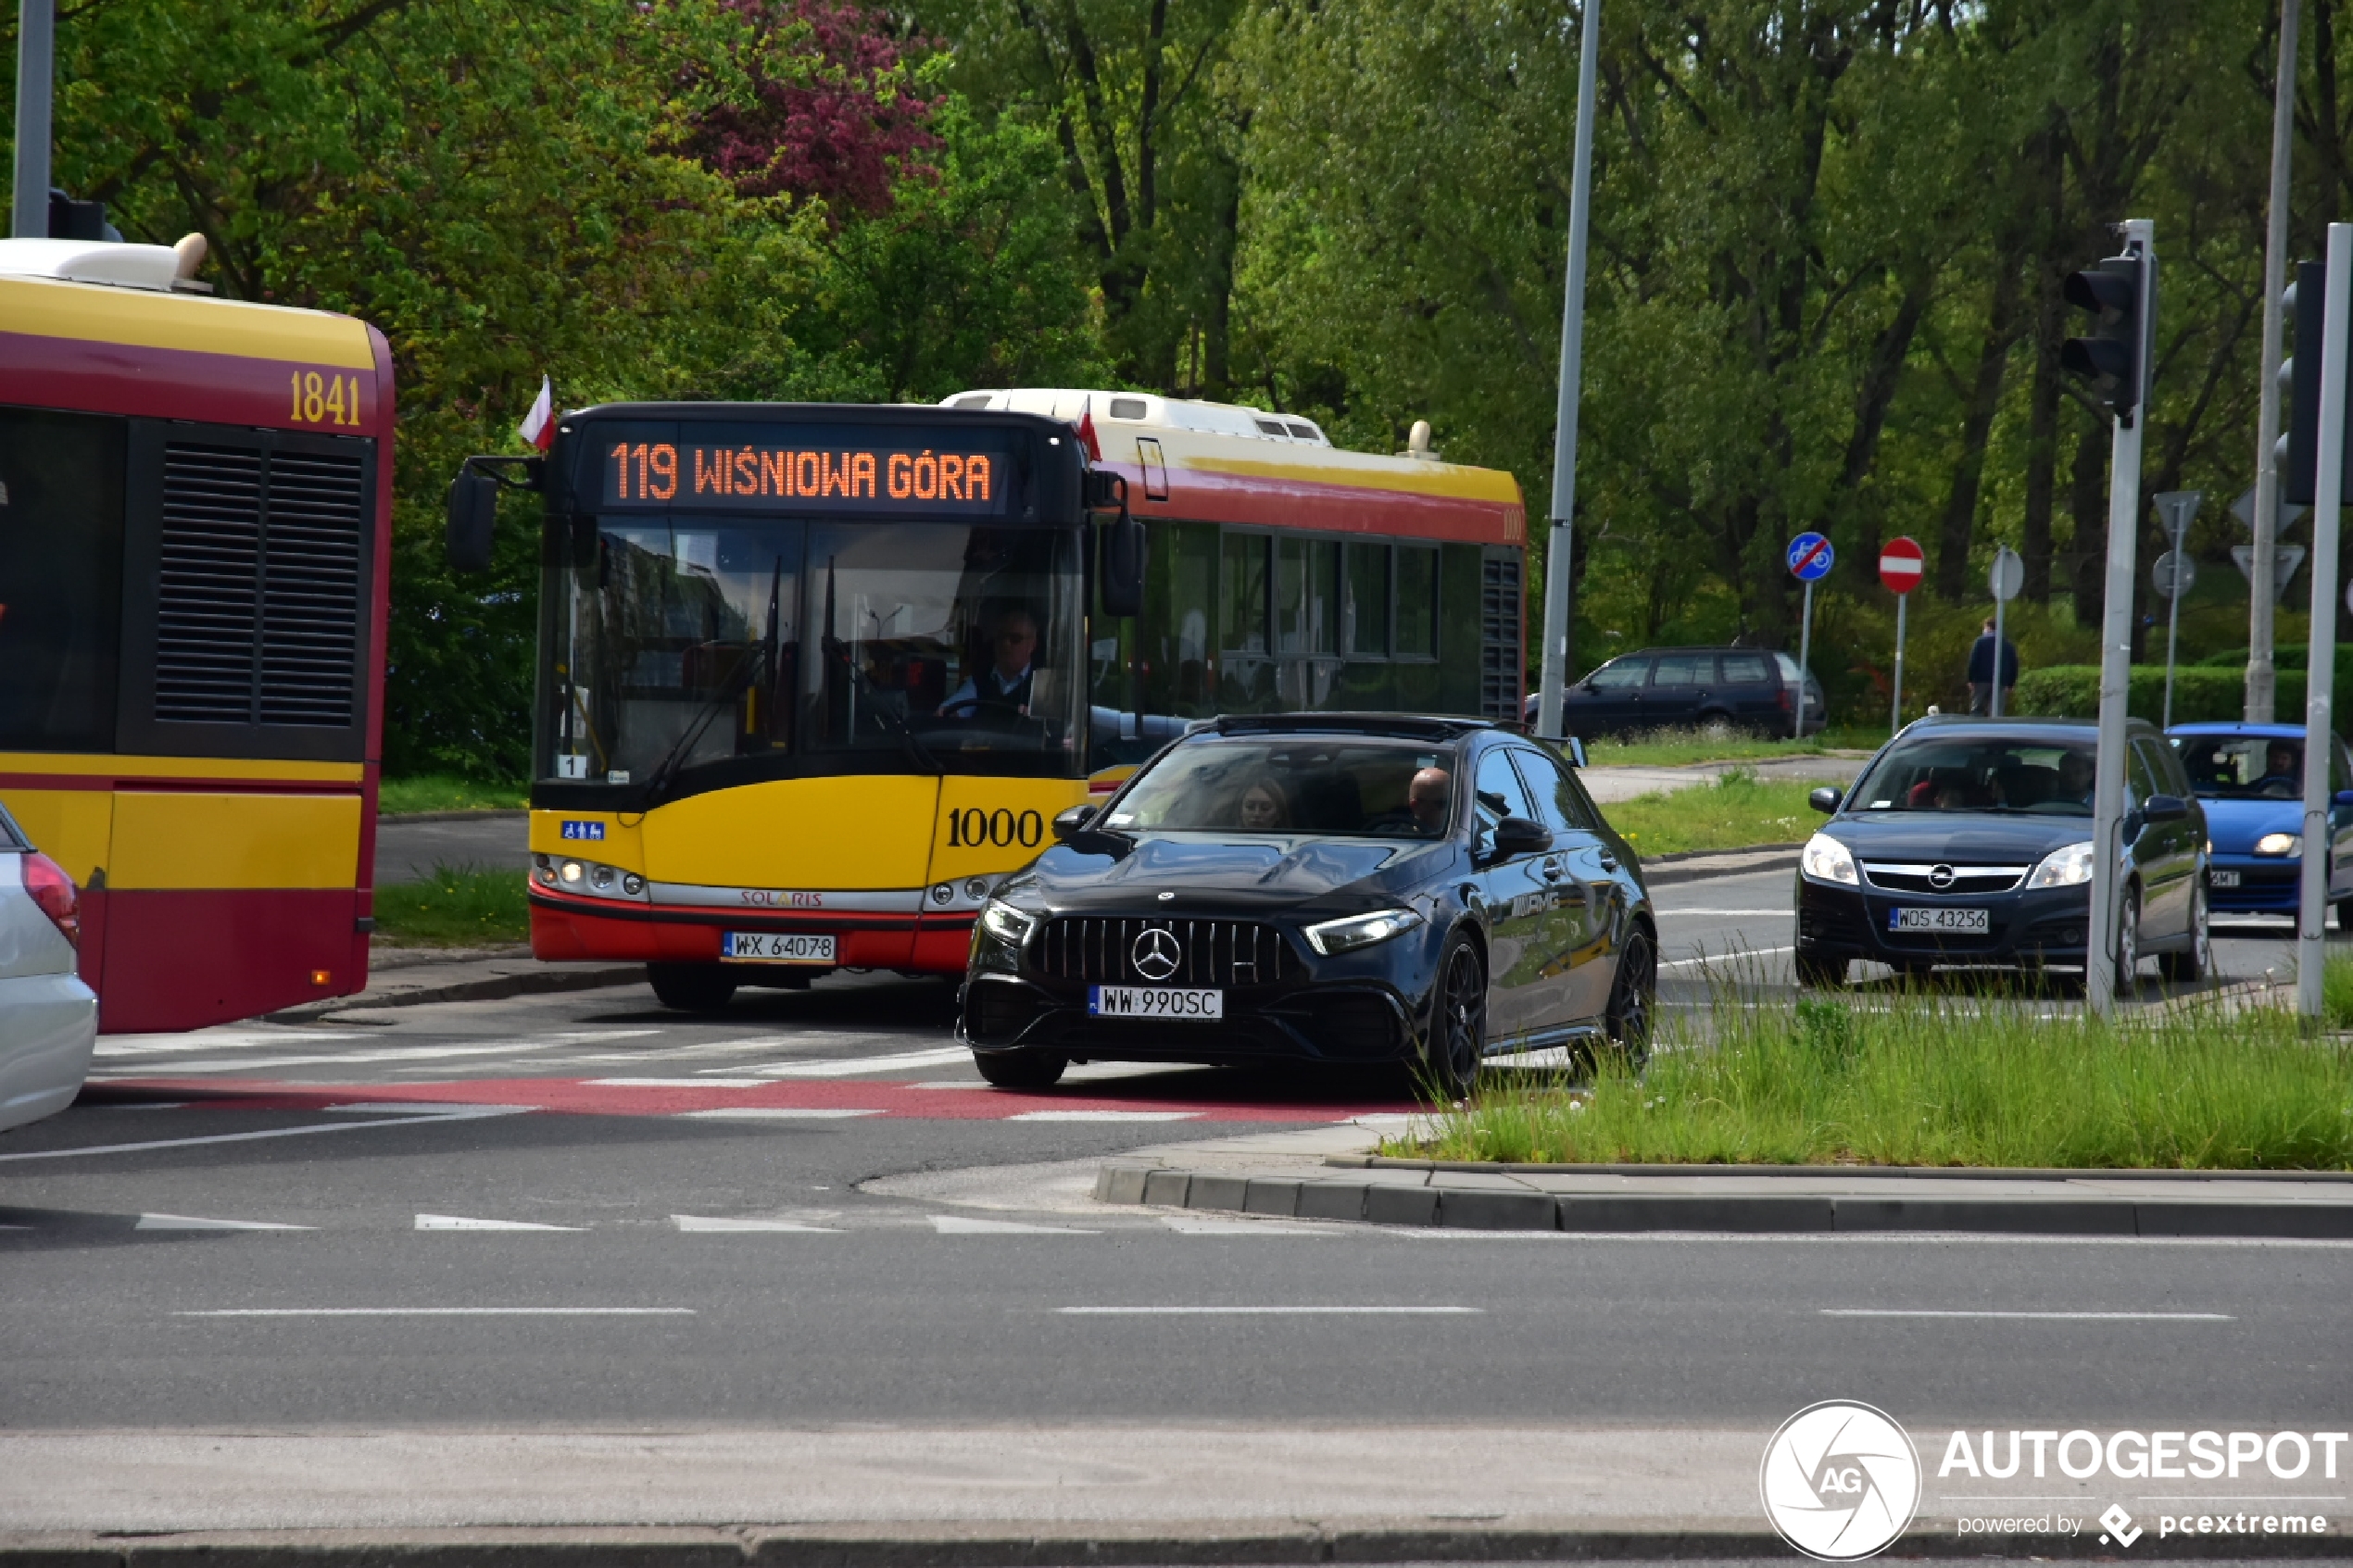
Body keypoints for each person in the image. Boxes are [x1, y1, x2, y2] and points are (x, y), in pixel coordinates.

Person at [941, 607, 1039, 718]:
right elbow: (951, 710)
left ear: (1032, 645)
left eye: (1015, 639)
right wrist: (947, 714)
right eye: (1001, 637)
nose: (1006, 644)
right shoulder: (980, 679)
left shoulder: (1041, 685)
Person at [1967, 618, 2020, 715]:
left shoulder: (1980, 642)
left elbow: (1973, 661)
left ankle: (1976, 729)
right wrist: (2010, 683)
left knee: (1977, 708)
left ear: (1988, 627)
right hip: (2001, 681)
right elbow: (2014, 664)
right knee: (1996, 712)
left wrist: (1971, 679)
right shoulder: (2007, 645)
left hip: (1981, 680)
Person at [1407, 767, 1453, 834]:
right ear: (1416, 806)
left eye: (1452, 802)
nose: (1451, 809)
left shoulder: (1454, 834)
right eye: (1442, 804)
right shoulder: (1395, 838)